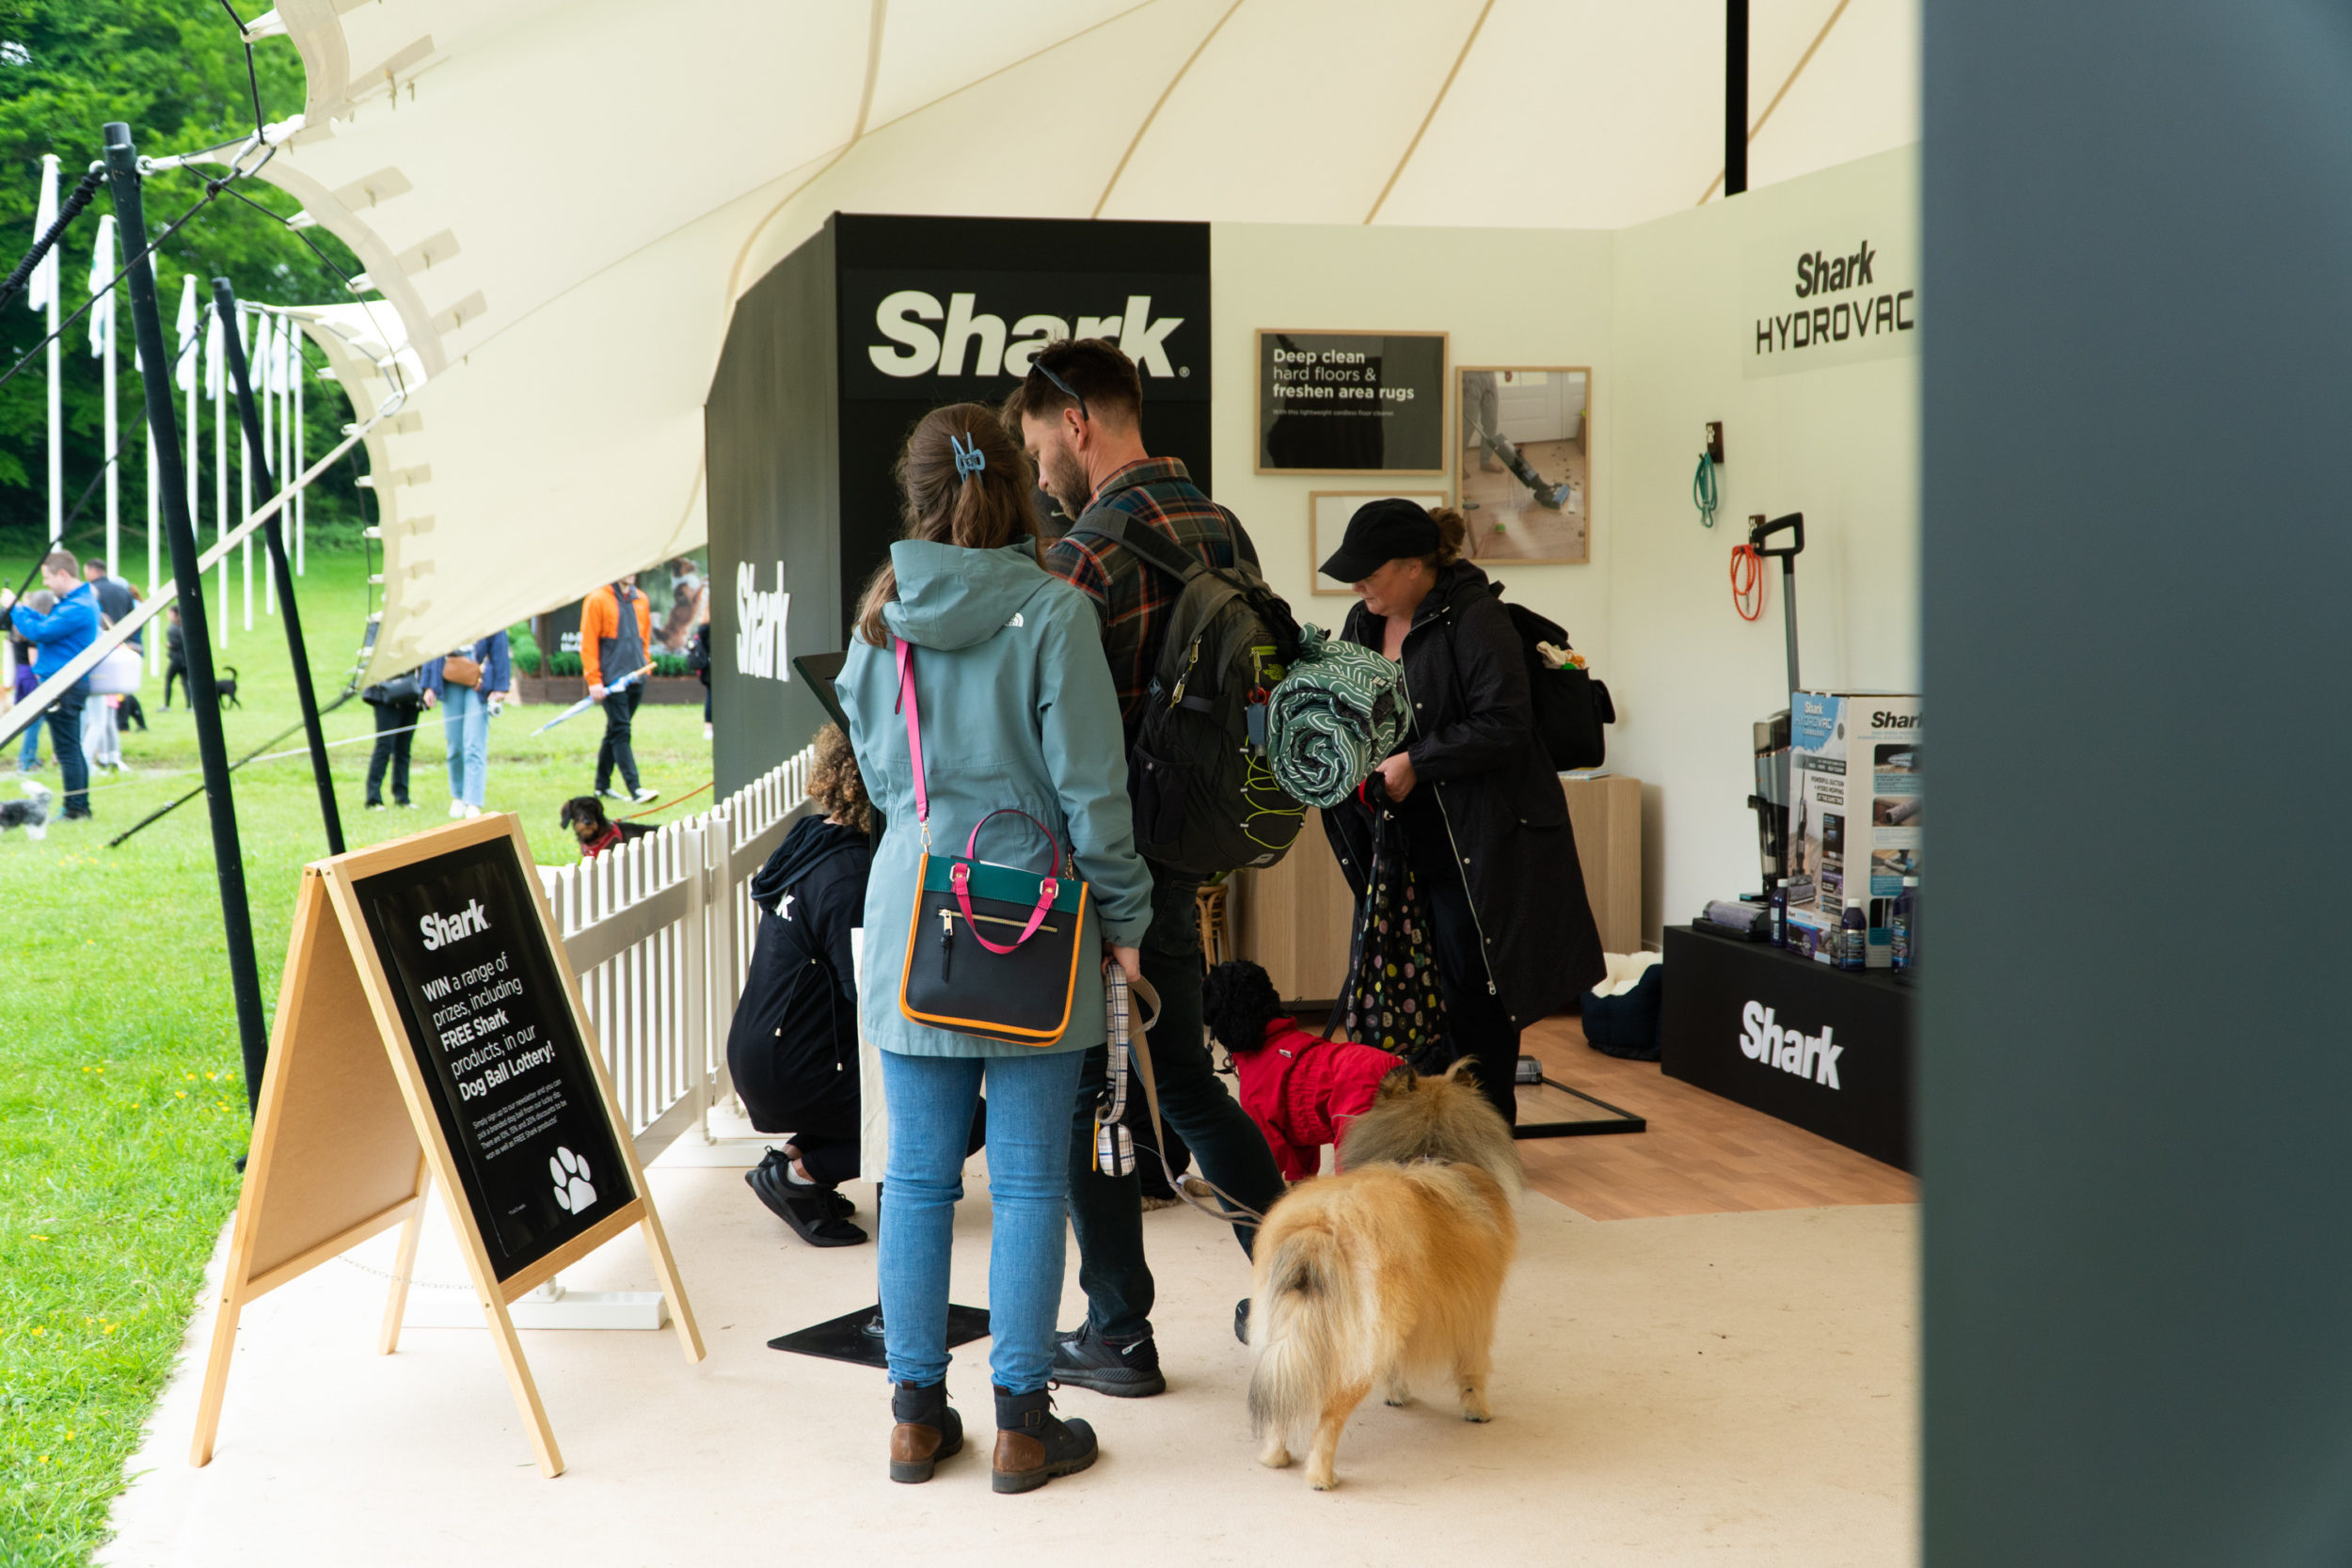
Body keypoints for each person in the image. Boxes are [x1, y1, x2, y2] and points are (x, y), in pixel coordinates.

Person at [840, 403, 1151, 1493]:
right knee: (1026, 1184)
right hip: (1035, 920)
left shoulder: (882, 619)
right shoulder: (1056, 615)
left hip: (918, 907)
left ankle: (915, 1418)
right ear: (1022, 486)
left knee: (916, 1180)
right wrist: (1125, 923)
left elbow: (882, 782)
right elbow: (1091, 797)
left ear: (916, 493)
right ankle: (1023, 1420)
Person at [1006, 336, 1288, 1396]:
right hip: (1199, 846)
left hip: (1106, 867)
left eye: (1039, 449)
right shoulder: (1222, 525)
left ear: (1075, 424)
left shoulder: (1087, 554)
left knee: (1090, 1093)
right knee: (1190, 1083)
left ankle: (1118, 1331)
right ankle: (1298, 1277)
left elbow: (1052, 728)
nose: (1038, 474)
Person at [1319, 499, 1607, 1124]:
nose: (1358, 584)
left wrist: (1416, 761)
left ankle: (1486, 1141)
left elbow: (1505, 722)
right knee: (1410, 990)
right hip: (1398, 840)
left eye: (1370, 572)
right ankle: (1431, 1131)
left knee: (1476, 995)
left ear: (1416, 565)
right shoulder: (1362, 621)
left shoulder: (1476, 619)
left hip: (1478, 841)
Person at [726, 724, 907, 1247]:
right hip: (797, 1069)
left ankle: (788, 1162)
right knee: (957, 1115)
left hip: (767, 1054)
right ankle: (799, 1178)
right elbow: (868, 1000)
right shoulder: (850, 876)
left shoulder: (810, 839)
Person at [1, 553, 99, 820]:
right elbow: (45, 624)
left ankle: (77, 809)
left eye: (47, 577)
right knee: (69, 748)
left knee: (67, 749)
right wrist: (19, 608)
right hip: (61, 683)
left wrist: (15, 608)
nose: (45, 583)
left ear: (63, 575)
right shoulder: (73, 602)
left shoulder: (78, 606)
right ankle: (77, 806)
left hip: (64, 685)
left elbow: (40, 632)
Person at [580, 574, 659, 805]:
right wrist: (594, 680)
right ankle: (635, 789)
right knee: (622, 731)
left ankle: (602, 786)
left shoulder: (641, 599)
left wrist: (645, 663)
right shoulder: (597, 599)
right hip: (612, 681)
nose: (631, 573)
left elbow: (644, 637)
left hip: (636, 677)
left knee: (615, 731)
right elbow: (589, 642)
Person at [421, 630, 510, 819]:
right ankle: (458, 796)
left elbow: (499, 642)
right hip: (450, 671)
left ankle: (473, 801)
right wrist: (429, 685)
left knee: (473, 742)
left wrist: (500, 686)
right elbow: (433, 641)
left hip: (480, 676)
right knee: (454, 743)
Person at [362, 665, 425, 810]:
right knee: (384, 747)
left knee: (404, 749)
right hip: (386, 694)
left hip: (410, 694)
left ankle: (402, 798)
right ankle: (373, 799)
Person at [11, 639, 42, 772]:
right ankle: (26, 759)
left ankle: (27, 757)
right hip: (32, 676)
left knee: (31, 720)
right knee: (35, 720)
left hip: (22, 672)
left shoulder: (17, 628)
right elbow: (33, 659)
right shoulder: (31, 635)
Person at [163, 606, 188, 709]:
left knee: (168, 680)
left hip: (176, 659)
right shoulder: (184, 626)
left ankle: (166, 705)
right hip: (186, 660)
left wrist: (170, 645)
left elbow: (177, 644)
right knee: (185, 682)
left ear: (173, 614)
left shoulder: (172, 628)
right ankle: (189, 705)